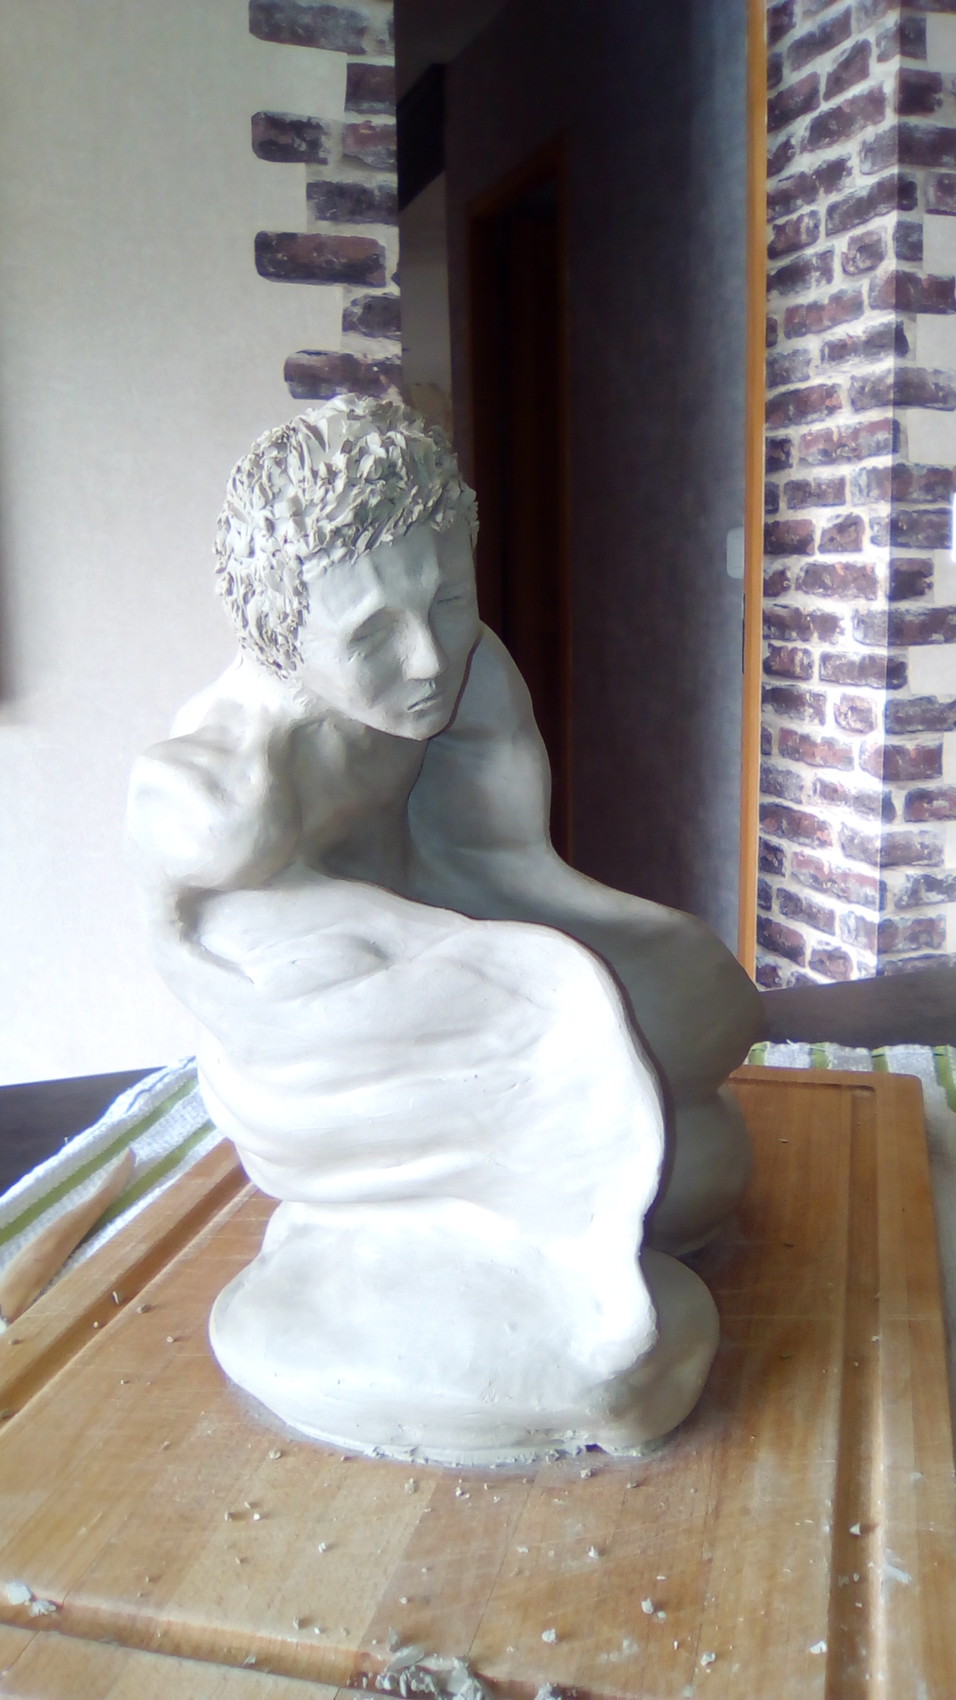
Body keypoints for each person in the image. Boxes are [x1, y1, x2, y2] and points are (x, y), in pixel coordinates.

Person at [127, 396, 762, 1459]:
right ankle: (486, 1284)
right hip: (320, 1026)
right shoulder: (232, 787)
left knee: (697, 1055)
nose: (427, 658)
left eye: (448, 600)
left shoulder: (464, 677)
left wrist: (604, 959)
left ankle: (538, 1203)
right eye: (371, 634)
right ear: (281, 636)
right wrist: (478, 992)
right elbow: (191, 938)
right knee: (588, 1056)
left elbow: (504, 862)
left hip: (440, 933)